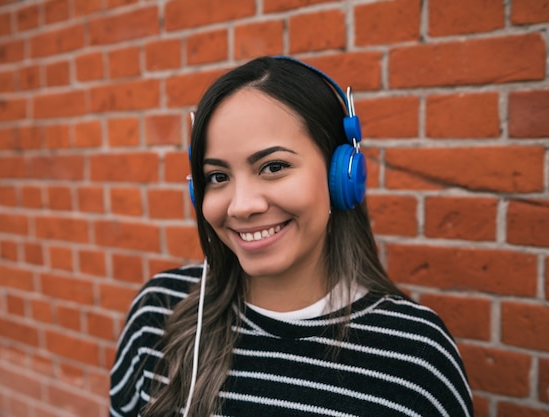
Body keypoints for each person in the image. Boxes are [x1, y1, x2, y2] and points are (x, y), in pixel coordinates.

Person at [109, 56, 474, 417]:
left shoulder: (416, 356)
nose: (241, 206)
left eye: (273, 167)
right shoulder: (160, 311)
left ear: (342, 176)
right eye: (218, 176)